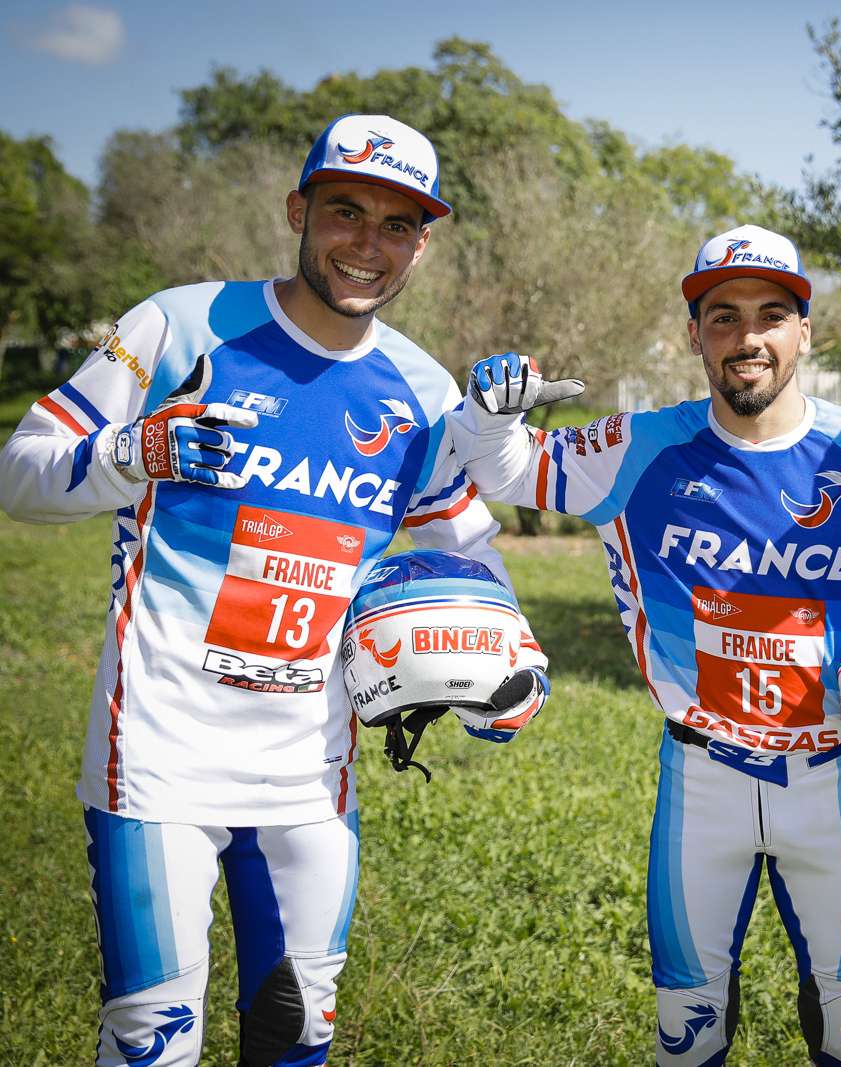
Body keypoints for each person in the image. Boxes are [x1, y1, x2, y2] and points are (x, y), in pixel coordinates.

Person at [0, 114, 553, 1066]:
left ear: (422, 244)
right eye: (345, 212)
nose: (367, 244)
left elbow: (464, 548)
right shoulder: (180, 325)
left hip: (310, 772)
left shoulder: (423, 392)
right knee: (151, 1037)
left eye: (397, 225)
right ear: (298, 210)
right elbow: (21, 471)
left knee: (296, 1033)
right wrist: (132, 452)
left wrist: (516, 665)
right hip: (158, 754)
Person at [447, 223, 841, 1066]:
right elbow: (505, 471)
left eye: (772, 315)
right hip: (699, 779)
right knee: (686, 1035)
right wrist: (487, 414)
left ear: (805, 332)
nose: (749, 337)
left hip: (830, 778)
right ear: (694, 335)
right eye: (724, 316)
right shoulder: (639, 447)